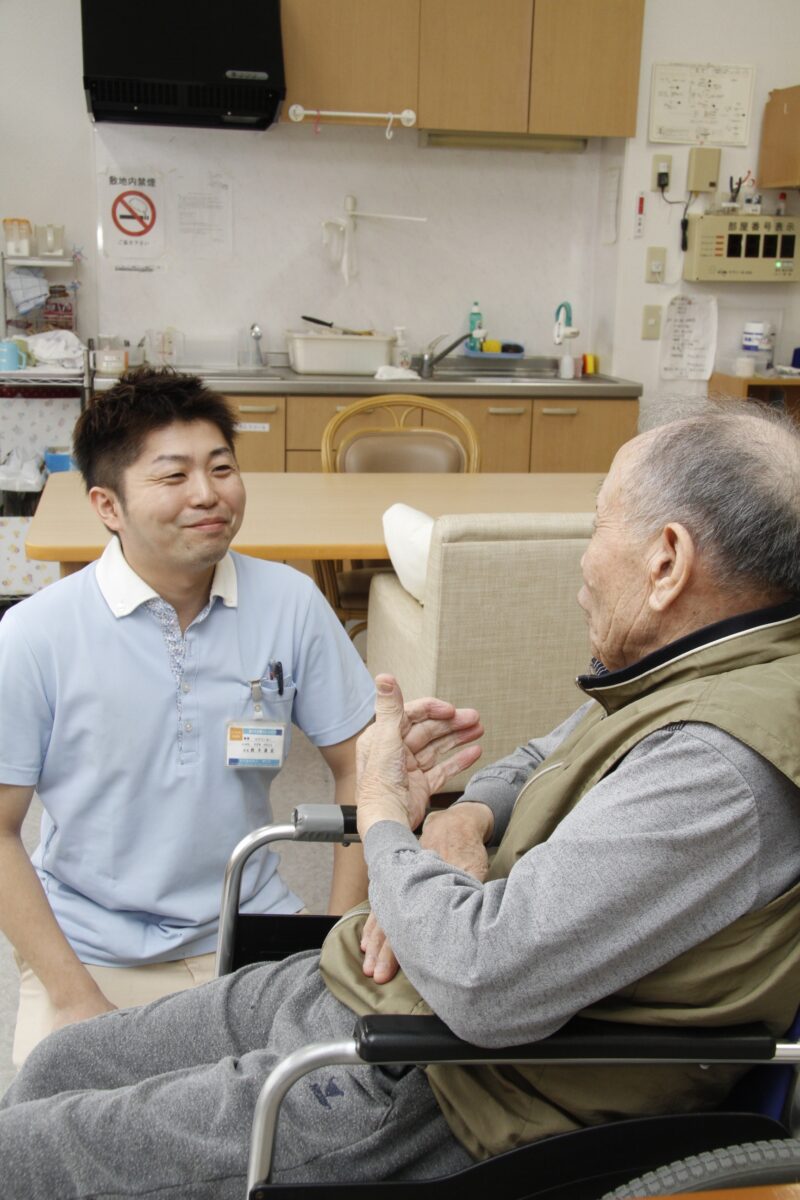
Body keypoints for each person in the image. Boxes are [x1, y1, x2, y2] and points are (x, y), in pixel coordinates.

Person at [2, 405, 800, 1197]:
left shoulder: (716, 766)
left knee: (27, 1152)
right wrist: (462, 819)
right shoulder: (692, 669)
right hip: (367, 980)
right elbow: (537, 758)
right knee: (61, 1062)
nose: (581, 563)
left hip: (433, 1078)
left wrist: (386, 815)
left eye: (596, 528)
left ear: (667, 561)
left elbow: (482, 981)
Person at [0, 367, 375, 1068]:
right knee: (53, 1147)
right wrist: (72, 993)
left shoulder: (290, 604)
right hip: (88, 948)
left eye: (222, 467)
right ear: (108, 506)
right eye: (173, 476)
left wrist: (339, 928)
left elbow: (360, 763)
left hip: (250, 931)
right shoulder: (35, 634)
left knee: (311, 1125)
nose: (209, 494)